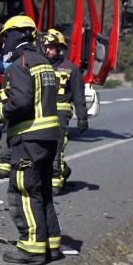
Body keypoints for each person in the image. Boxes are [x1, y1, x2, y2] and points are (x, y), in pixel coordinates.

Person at [0, 15, 62, 264]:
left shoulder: (20, 64)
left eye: (6, 37)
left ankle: (31, 249)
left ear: (15, 36)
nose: (4, 43)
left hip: (29, 140)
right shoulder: (44, 63)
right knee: (43, 193)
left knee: (24, 192)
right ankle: (51, 245)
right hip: (48, 139)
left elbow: (22, 102)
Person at [42, 29, 89, 194]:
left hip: (61, 115)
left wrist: (82, 117)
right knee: (42, 148)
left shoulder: (72, 69)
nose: (47, 50)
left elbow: (78, 95)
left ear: (60, 48)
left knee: (57, 147)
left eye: (51, 47)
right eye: (46, 47)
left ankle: (56, 182)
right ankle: (63, 171)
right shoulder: (41, 67)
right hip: (41, 114)